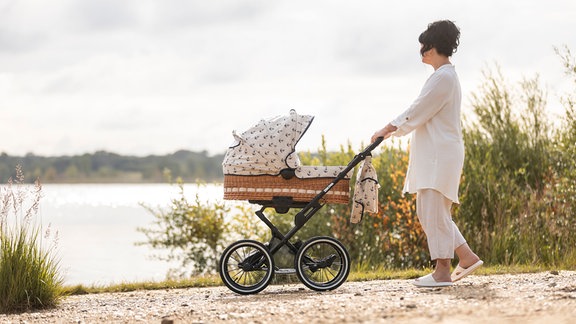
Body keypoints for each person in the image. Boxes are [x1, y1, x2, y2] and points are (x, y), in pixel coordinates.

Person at [371, 20, 483, 287]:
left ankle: (442, 271)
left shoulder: (443, 77)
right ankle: (466, 257)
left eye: (424, 46)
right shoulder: (442, 77)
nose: (421, 51)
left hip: (439, 156)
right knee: (431, 212)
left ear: (434, 47)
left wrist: (386, 129)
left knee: (433, 212)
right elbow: (421, 112)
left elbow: (418, 109)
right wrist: (392, 130)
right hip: (436, 154)